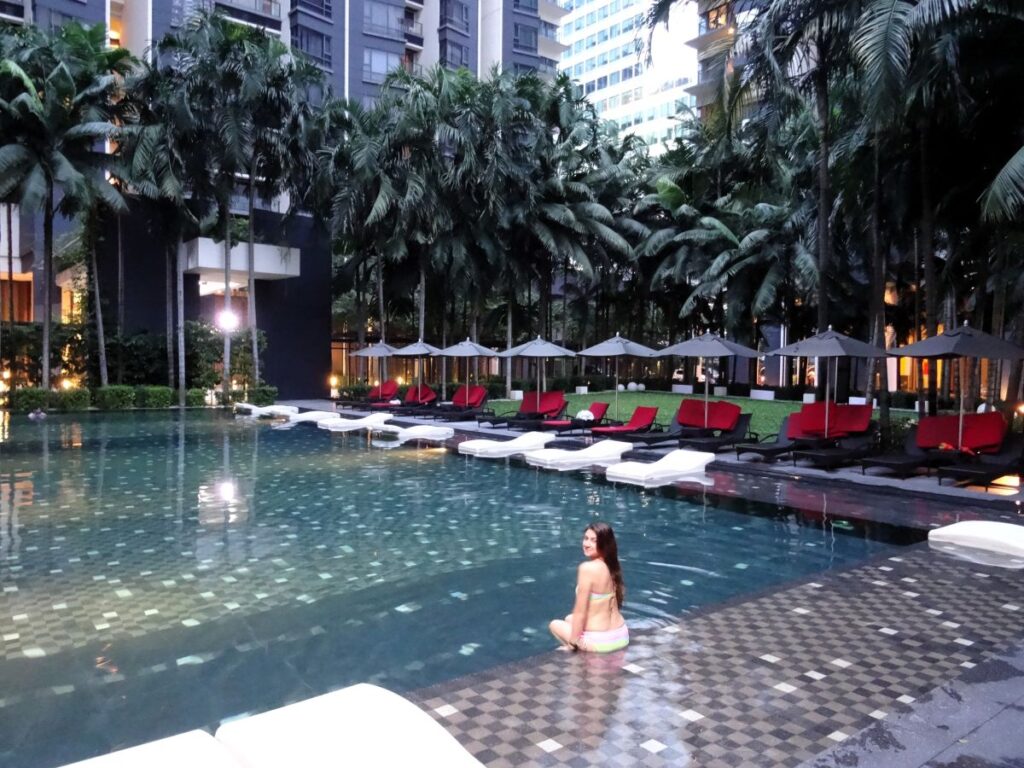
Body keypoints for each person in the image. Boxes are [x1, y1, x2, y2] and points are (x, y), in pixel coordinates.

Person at [549, 522, 628, 653]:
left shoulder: (587, 569)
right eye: (585, 538)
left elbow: (580, 613)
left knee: (555, 624)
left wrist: (573, 643)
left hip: (601, 644)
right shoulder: (612, 565)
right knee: (569, 618)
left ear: (604, 544)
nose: (586, 544)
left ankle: (579, 655)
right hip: (621, 635)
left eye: (593, 540)